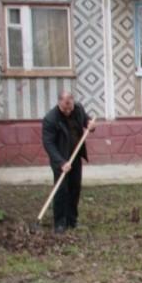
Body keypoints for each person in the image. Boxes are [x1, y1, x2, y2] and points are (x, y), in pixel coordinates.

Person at [42, 91, 95, 234]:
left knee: (75, 188)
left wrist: (91, 124)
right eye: (65, 108)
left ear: (72, 102)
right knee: (61, 190)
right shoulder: (50, 119)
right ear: (59, 102)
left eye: (70, 108)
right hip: (60, 159)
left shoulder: (77, 109)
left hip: (75, 156)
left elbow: (87, 121)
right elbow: (48, 144)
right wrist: (60, 162)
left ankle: (72, 220)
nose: (68, 111)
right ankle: (59, 223)